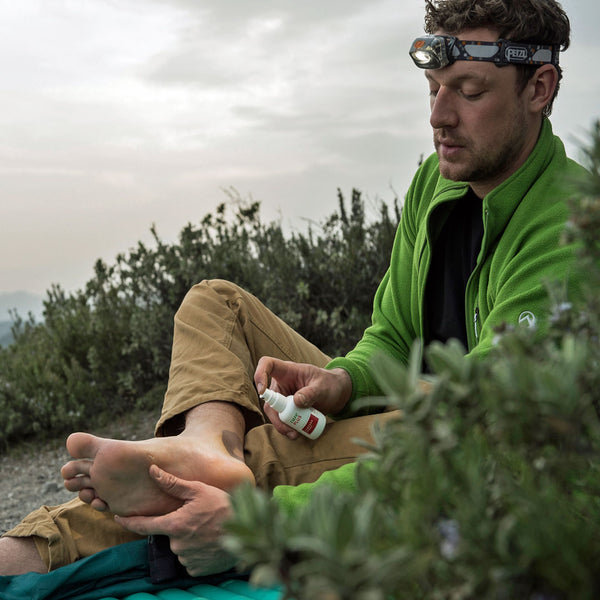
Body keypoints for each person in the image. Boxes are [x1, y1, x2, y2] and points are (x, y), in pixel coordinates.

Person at [0, 0, 585, 578]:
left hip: (458, 442)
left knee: (268, 456)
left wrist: (265, 525)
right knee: (214, 301)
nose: (439, 115)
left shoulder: (572, 231)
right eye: (433, 88)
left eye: (469, 91)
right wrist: (342, 381)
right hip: (420, 406)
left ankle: (29, 554)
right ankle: (207, 444)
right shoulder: (439, 181)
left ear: (539, 88)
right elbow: (394, 336)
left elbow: (481, 434)